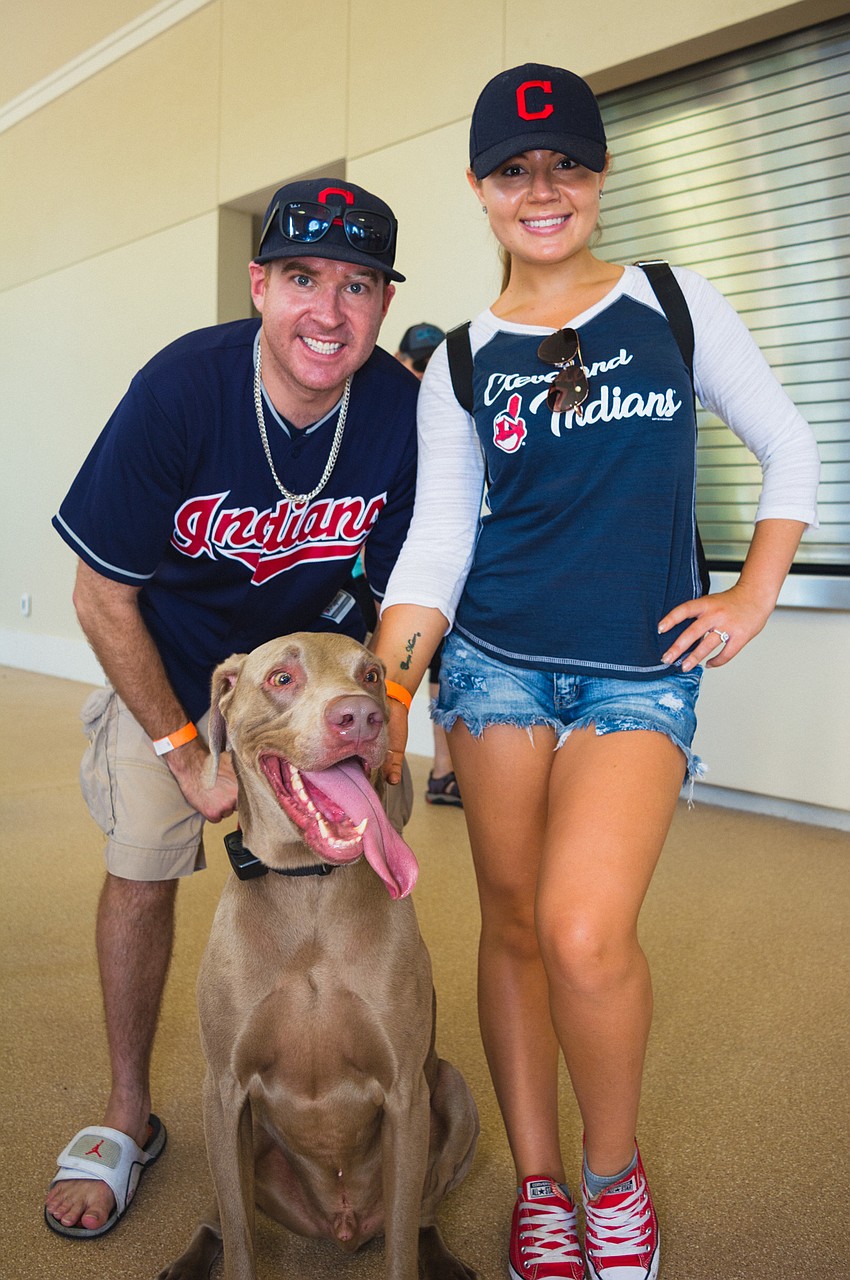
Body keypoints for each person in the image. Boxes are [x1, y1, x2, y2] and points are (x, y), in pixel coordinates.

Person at [373, 64, 819, 1280]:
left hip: (635, 675)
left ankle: (611, 1178)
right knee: (511, 925)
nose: (543, 187)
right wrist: (390, 696)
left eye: (566, 161)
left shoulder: (670, 304)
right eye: (513, 170)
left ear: (600, 173)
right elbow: (439, 541)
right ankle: (537, 1186)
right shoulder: (464, 359)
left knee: (580, 930)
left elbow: (788, 444)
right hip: (496, 669)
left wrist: (752, 593)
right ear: (478, 188)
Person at [45, 177, 419, 1240]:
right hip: (164, 659)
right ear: (259, 285)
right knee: (144, 858)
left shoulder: (394, 409)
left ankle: (337, 1052)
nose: (328, 311)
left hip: (306, 676)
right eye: (302, 277)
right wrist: (182, 749)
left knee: (355, 869)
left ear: (383, 303)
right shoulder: (181, 390)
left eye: (358, 285)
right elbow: (98, 590)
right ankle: (126, 1111)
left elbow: (406, 594)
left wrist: (381, 710)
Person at [393, 322, 464, 808]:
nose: (420, 372)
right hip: (384, 565)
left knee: (445, 666)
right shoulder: (385, 408)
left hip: (442, 558)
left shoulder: (448, 406)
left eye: (428, 364)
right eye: (415, 362)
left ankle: (445, 770)